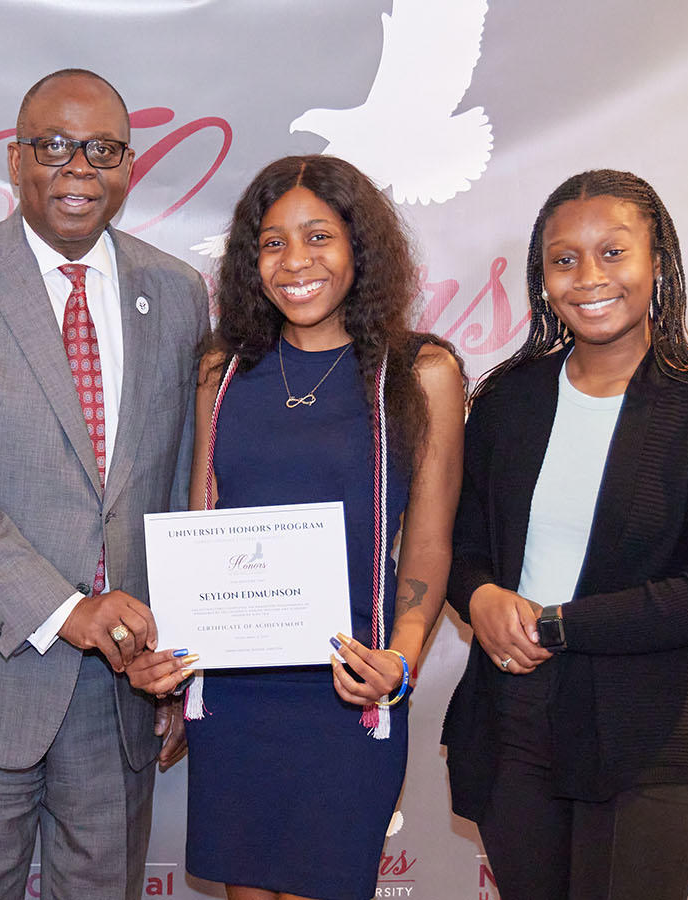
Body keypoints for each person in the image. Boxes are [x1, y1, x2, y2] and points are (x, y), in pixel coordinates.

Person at [0, 68, 210, 900]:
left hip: (119, 697)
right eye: (55, 146)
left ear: (129, 167)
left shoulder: (175, 294)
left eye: (102, 148)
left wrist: (183, 653)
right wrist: (68, 611)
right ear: (17, 160)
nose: (78, 168)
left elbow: (178, 483)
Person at [127, 155, 465, 900]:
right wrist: (172, 668)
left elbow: (431, 541)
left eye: (319, 236)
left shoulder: (418, 371)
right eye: (273, 242)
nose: (296, 261)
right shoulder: (224, 367)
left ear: (359, 248)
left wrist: (400, 665)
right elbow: (200, 529)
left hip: (350, 690)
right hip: (238, 692)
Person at [440, 169, 688, 899]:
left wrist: (554, 624)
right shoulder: (506, 400)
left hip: (643, 739)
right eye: (564, 259)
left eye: (614, 253)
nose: (588, 277)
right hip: (511, 728)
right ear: (543, 278)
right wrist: (483, 594)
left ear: (659, 264)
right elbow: (463, 548)